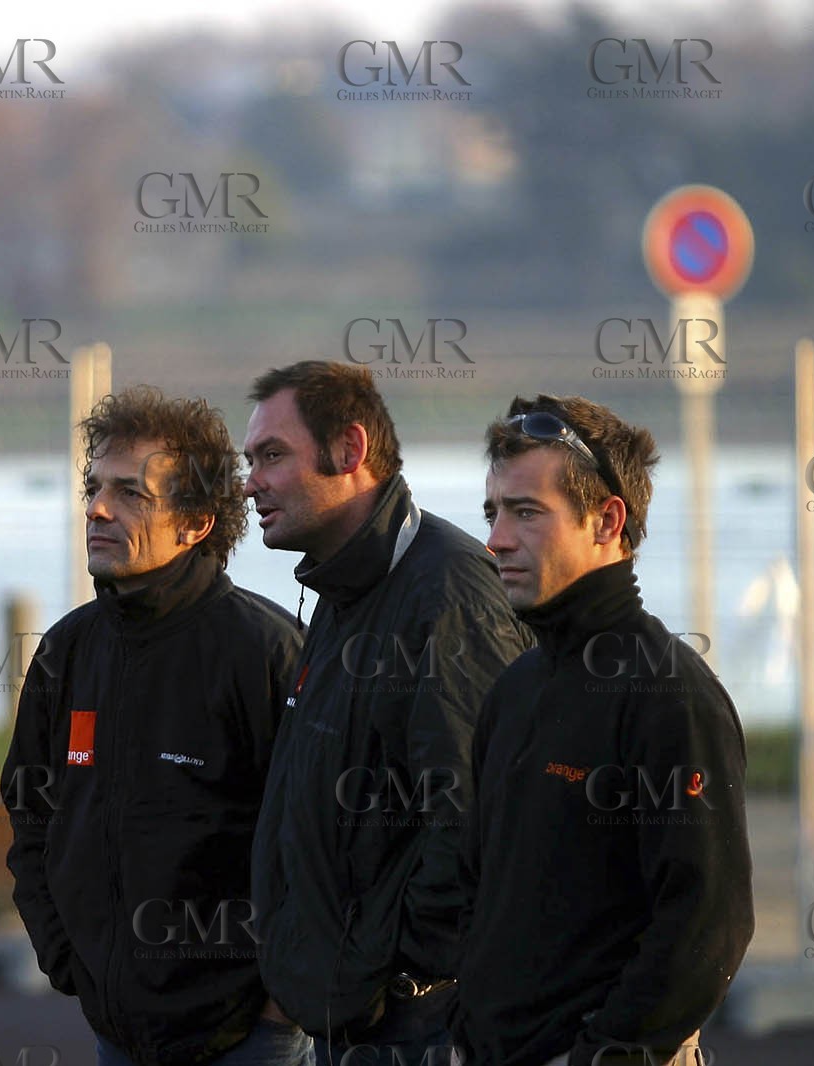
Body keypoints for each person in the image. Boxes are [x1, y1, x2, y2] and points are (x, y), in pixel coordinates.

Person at [4, 385, 310, 1066]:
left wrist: (279, 1002)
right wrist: (66, 956)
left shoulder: (265, 653)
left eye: (132, 493)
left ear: (196, 522)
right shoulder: (66, 652)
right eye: (95, 487)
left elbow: (318, 843)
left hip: (252, 1038)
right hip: (116, 1032)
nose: (99, 509)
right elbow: (30, 817)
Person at [241, 361, 529, 1065]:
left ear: (350, 450)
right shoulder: (347, 590)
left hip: (418, 1026)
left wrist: (393, 975)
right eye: (250, 461)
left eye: (273, 456)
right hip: (357, 1024)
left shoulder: (446, 592)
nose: (251, 482)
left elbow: (472, 818)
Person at [454, 395, 754, 1066]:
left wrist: (604, 1054)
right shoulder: (515, 689)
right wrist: (462, 1031)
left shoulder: (669, 695)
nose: (497, 538)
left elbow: (708, 925)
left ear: (606, 520)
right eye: (493, 512)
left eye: (526, 512)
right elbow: (479, 891)